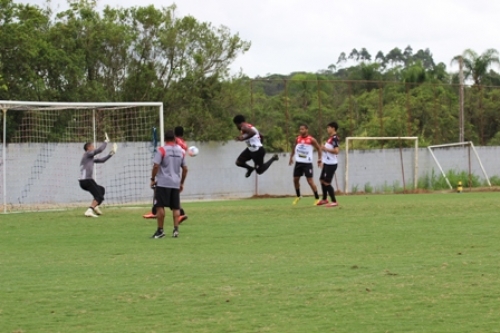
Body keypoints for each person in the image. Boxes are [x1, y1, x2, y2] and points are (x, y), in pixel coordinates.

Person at [143, 126, 189, 224]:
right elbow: (185, 162)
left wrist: (152, 178)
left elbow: (156, 165)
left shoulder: (170, 146)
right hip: (176, 178)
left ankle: (156, 213)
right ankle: (176, 226)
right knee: (174, 202)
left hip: (165, 176)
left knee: (158, 194)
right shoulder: (183, 144)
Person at [79, 138, 117, 217]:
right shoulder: (87, 154)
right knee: (99, 196)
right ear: (88, 148)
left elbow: (102, 160)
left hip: (84, 181)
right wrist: (106, 142)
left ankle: (95, 207)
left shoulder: (89, 158)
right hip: (87, 180)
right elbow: (99, 150)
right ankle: (90, 210)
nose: (94, 147)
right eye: (92, 146)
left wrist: (111, 154)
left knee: (101, 189)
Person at [289, 124, 322, 205]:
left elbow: (319, 148)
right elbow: (294, 148)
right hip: (298, 163)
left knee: (310, 181)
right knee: (295, 180)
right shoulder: (297, 139)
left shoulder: (311, 139)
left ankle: (317, 198)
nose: (301, 131)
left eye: (303, 129)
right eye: (300, 129)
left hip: (307, 163)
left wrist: (319, 159)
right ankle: (298, 196)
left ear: (307, 130)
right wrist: (291, 157)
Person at [316, 122, 340, 207]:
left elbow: (336, 151)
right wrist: (321, 160)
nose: (327, 129)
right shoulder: (330, 138)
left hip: (331, 164)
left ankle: (334, 201)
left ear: (333, 128)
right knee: (322, 179)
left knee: (326, 182)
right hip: (327, 163)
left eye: (328, 127)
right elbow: (327, 152)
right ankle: (324, 199)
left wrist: (325, 148)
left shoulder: (334, 138)